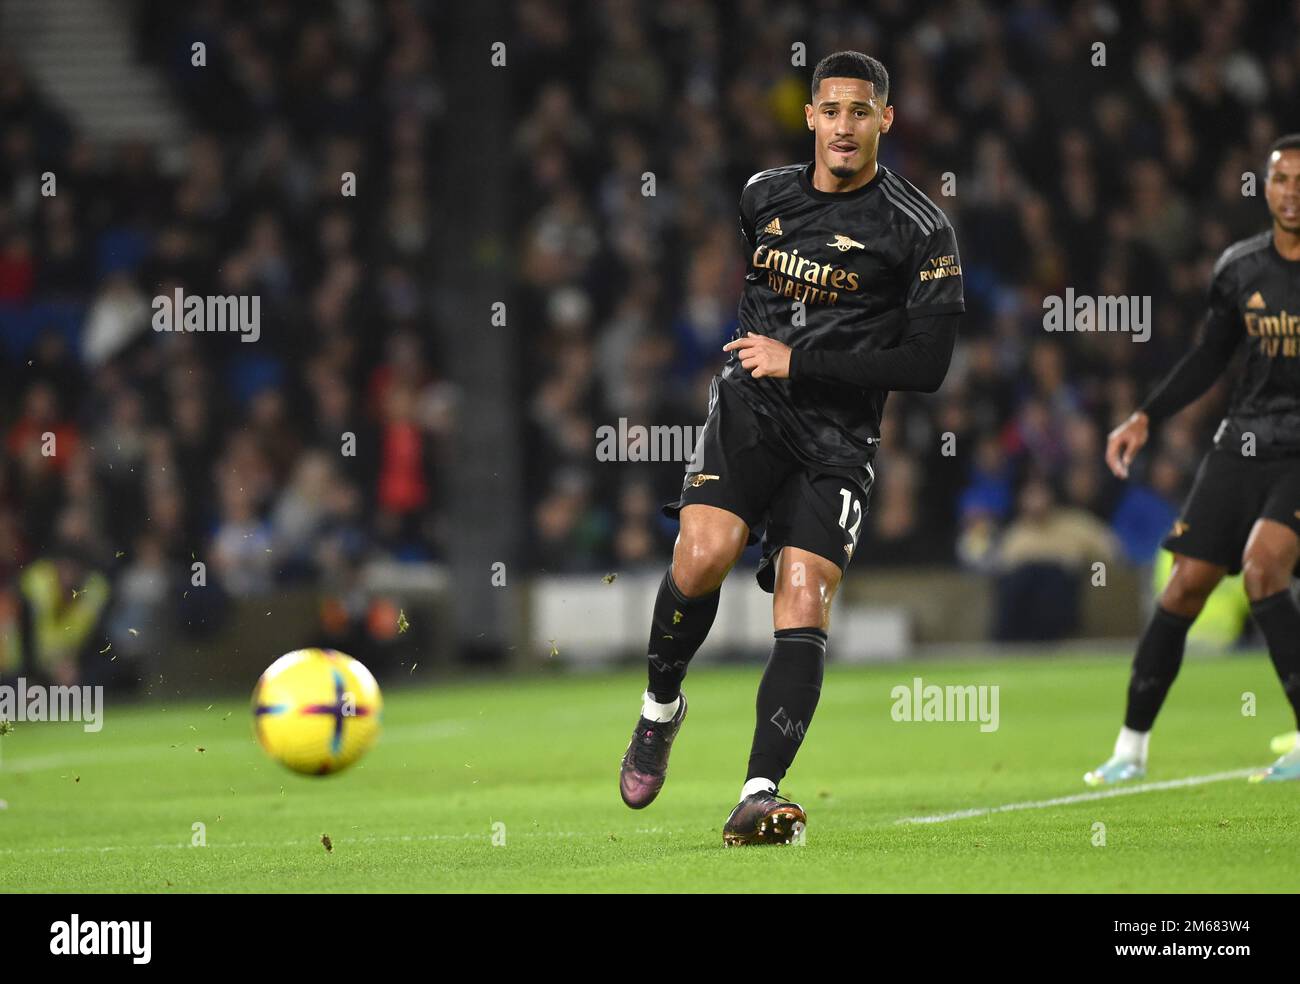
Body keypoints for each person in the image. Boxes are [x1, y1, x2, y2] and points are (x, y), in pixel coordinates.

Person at [616, 51, 964, 844]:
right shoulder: (762, 196)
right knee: (702, 557)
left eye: (861, 112)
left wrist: (801, 358)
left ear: (886, 120)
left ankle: (758, 791)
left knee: (802, 598)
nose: (845, 127)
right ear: (809, 117)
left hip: (838, 436)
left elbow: (929, 364)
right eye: (831, 111)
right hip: (751, 408)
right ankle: (659, 707)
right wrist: (773, 361)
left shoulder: (919, 228)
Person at [1086, 135, 1300, 785]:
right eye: (1283, 179)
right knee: (1184, 587)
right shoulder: (1240, 268)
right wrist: (1145, 415)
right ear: (1265, 188)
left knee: (1265, 568)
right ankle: (1131, 749)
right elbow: (1210, 357)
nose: (1293, 191)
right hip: (1242, 443)